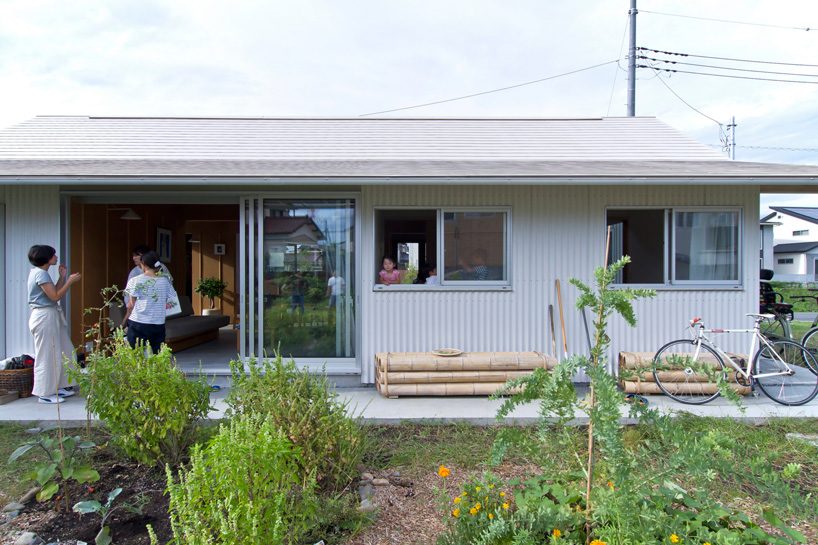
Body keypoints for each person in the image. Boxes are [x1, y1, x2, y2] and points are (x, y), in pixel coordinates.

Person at [27, 245, 81, 404]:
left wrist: (62, 277)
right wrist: (70, 281)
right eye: (53, 255)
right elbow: (55, 296)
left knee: (64, 349)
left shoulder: (41, 273)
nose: (56, 257)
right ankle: (44, 392)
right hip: (44, 316)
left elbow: (53, 292)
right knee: (47, 354)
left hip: (49, 315)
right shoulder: (41, 274)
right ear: (47, 258)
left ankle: (60, 385)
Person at [123, 251, 177, 354]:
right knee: (158, 355)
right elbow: (172, 299)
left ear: (143, 264)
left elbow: (131, 305)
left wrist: (124, 322)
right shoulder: (165, 281)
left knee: (135, 355)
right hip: (158, 323)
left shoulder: (135, 281)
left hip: (138, 323)